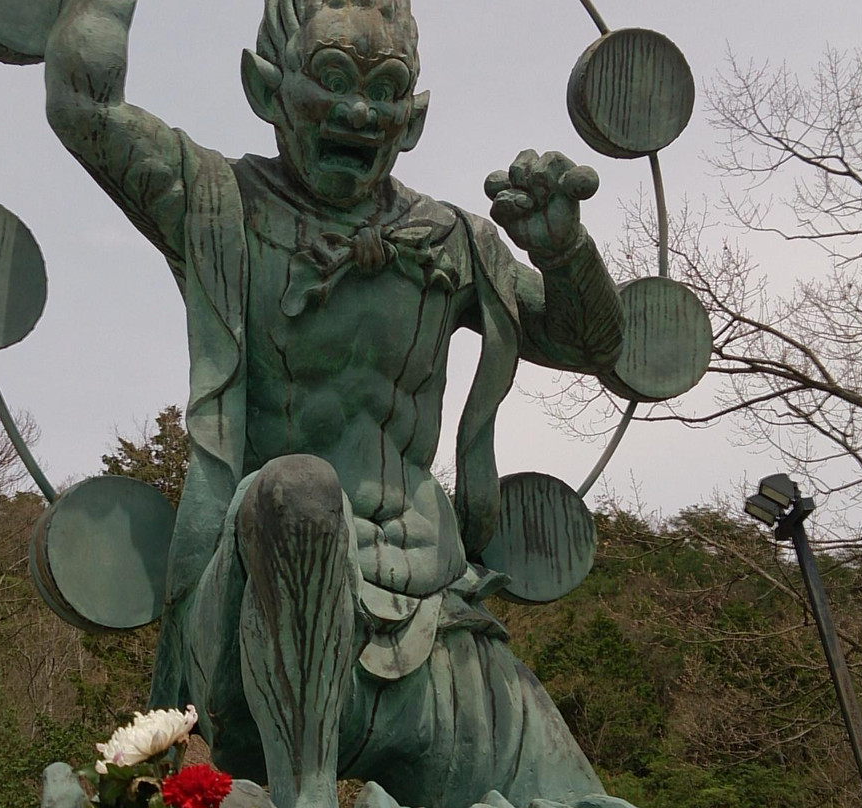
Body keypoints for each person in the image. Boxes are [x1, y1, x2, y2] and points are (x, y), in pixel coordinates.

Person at [45, 2, 635, 807]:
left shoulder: (451, 241)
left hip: (428, 609)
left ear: (414, 117)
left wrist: (565, 251)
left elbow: (590, 344)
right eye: (330, 79)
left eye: (385, 88)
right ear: (265, 88)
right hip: (259, 613)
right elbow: (85, 109)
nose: (359, 111)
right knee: (295, 490)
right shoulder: (222, 200)